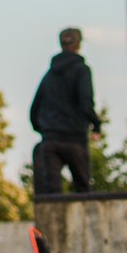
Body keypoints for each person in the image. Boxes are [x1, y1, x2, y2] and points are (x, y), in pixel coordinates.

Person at [30, 27, 102, 195]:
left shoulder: (49, 75)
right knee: (83, 187)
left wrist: (44, 130)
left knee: (52, 191)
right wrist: (96, 125)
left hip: (51, 139)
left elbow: (35, 108)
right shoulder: (82, 70)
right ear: (79, 44)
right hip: (75, 138)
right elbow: (86, 102)